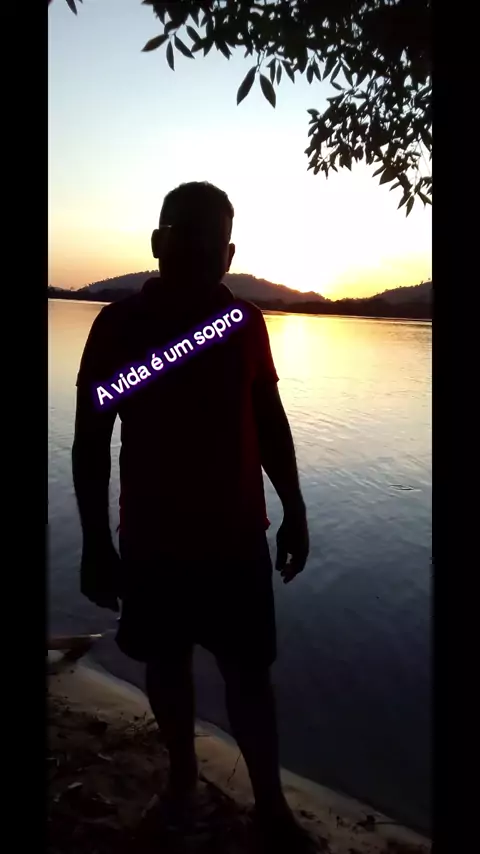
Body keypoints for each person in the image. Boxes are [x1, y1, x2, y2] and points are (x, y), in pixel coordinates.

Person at [72, 182, 312, 852]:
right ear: (158, 242)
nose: (200, 250)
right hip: (152, 542)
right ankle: (182, 782)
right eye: (185, 234)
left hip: (237, 541)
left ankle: (271, 807)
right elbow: (91, 442)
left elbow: (269, 422)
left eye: (213, 241)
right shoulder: (118, 327)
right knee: (166, 665)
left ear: (229, 254)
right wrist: (95, 542)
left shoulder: (244, 325)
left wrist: (294, 508)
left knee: (250, 677)